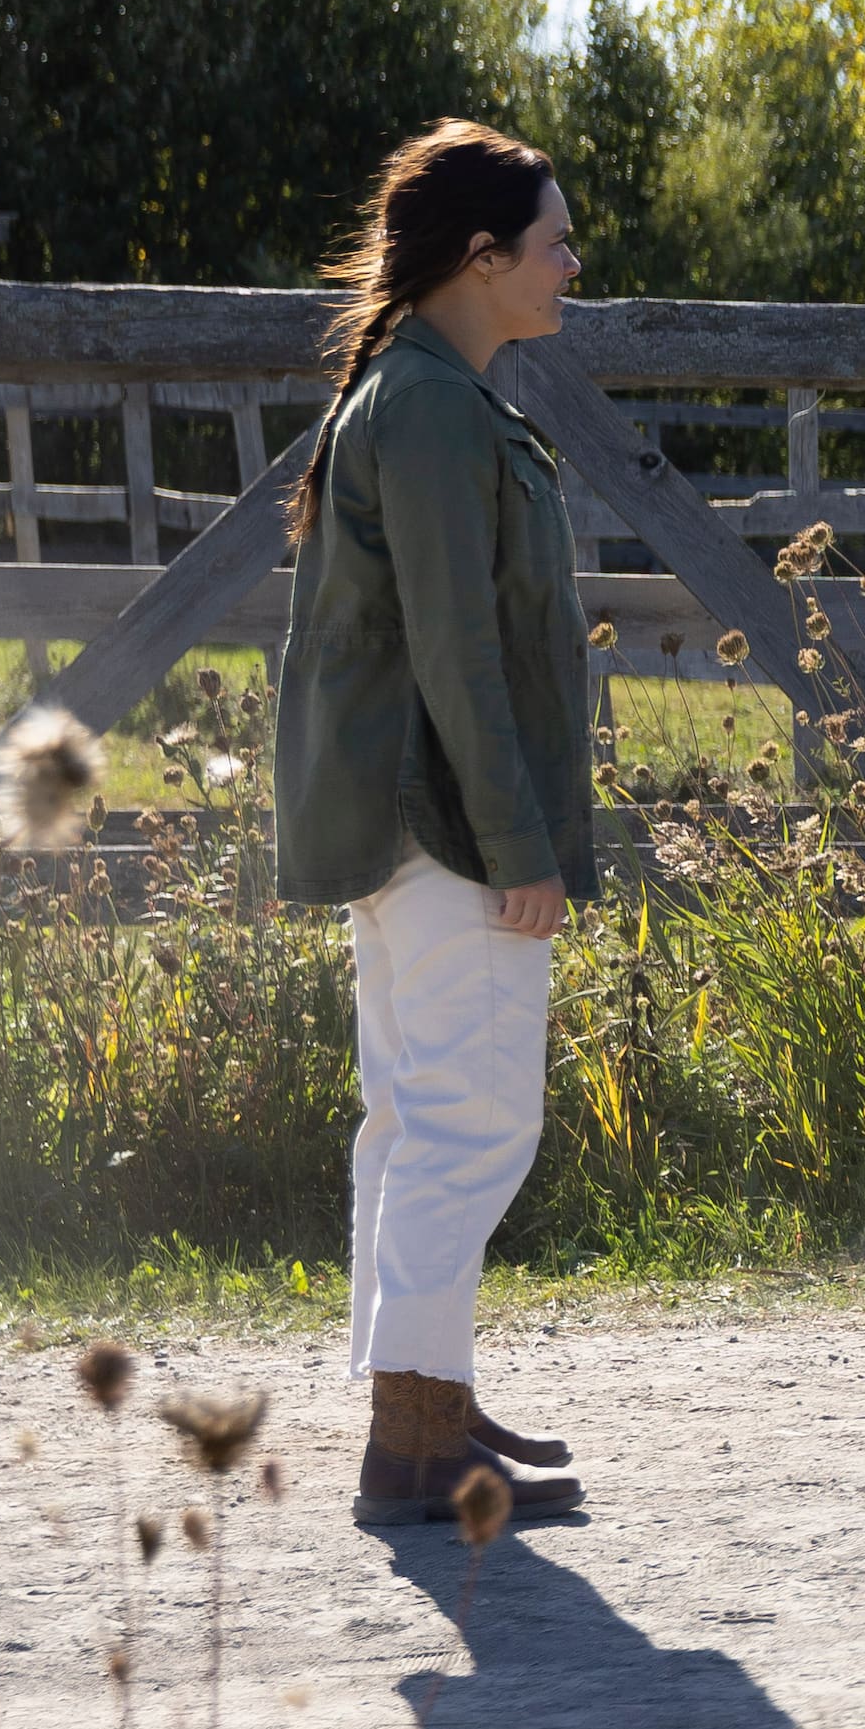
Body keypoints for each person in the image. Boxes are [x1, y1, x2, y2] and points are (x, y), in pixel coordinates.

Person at [273, 120, 601, 1528]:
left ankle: (428, 1403)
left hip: (413, 819)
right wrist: (521, 847)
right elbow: (459, 653)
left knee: (419, 1121)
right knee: (470, 1127)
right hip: (444, 826)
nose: (572, 267)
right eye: (554, 244)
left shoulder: (424, 393)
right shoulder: (428, 408)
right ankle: (411, 1444)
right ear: (481, 257)